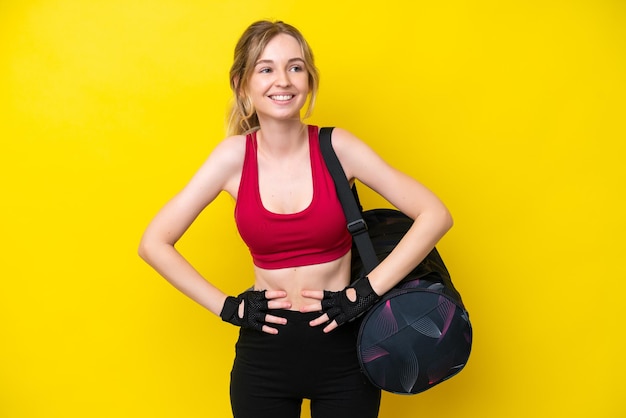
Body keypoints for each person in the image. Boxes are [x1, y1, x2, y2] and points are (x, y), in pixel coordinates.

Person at [138, 20, 453, 418]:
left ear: (309, 79)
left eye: (295, 67)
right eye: (266, 68)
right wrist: (229, 308)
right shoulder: (232, 157)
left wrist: (366, 293)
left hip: (345, 353)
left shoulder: (338, 147)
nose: (282, 80)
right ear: (242, 83)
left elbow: (435, 214)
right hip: (264, 358)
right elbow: (153, 243)